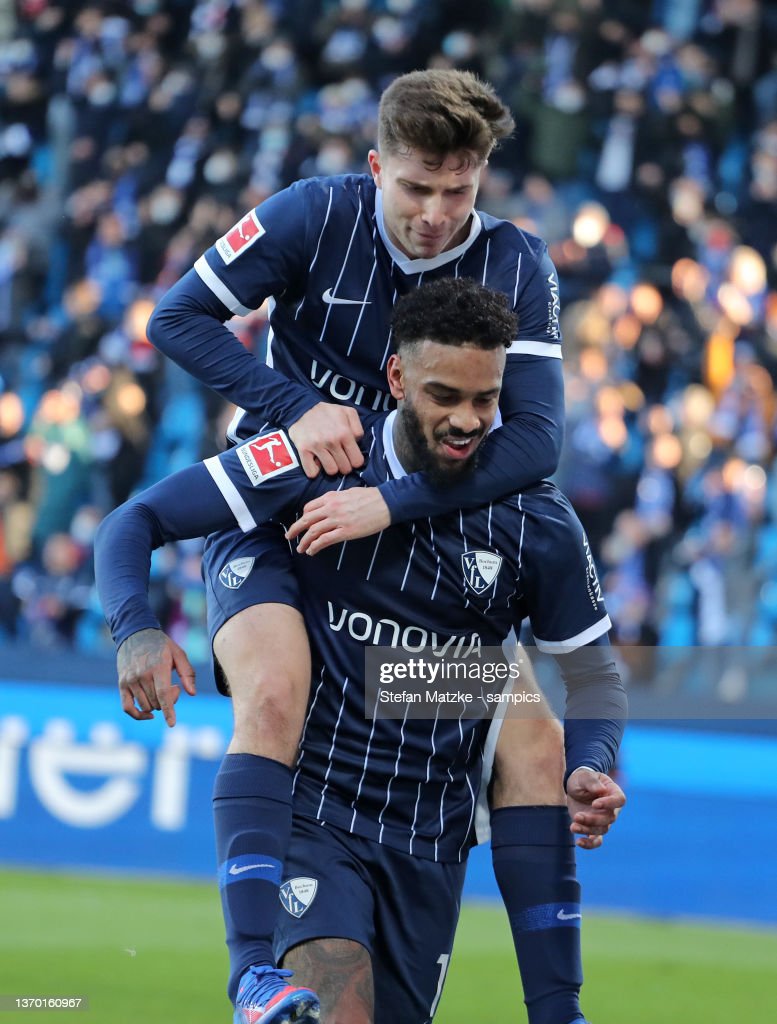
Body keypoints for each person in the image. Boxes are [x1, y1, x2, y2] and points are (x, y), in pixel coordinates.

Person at [141, 68, 614, 1023]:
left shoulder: (517, 262)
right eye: (415, 189)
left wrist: (388, 502)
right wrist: (296, 407)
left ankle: (557, 1010)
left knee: (530, 731)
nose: (437, 215)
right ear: (374, 170)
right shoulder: (312, 216)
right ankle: (254, 977)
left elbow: (535, 442)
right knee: (275, 690)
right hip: (286, 525)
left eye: (459, 191)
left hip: (401, 572)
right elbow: (175, 318)